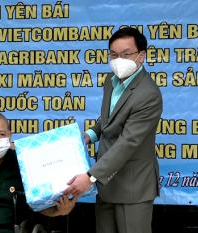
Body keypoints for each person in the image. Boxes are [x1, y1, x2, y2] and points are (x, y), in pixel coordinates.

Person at [64, 27, 163, 233]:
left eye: (126, 54)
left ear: (141, 56)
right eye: (114, 55)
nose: (119, 60)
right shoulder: (111, 82)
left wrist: (90, 177)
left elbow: (128, 143)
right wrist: (89, 136)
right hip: (107, 183)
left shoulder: (148, 94)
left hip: (132, 187)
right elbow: (108, 119)